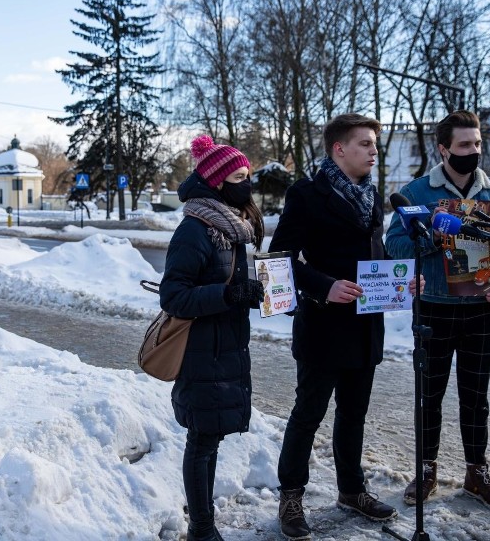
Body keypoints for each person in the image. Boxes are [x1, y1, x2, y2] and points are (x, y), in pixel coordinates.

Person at [385, 110, 490, 512]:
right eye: (465, 145)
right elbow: (395, 246)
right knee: (429, 396)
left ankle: (476, 473)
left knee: (476, 397)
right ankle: (426, 468)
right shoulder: (416, 193)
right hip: (433, 309)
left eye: (477, 143)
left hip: (482, 309)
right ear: (443, 148)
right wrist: (434, 235)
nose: (474, 151)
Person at [270, 114, 400, 540]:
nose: (374, 151)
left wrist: (400, 282)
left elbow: (374, 254)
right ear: (339, 149)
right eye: (365, 144)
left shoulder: (371, 194)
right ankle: (291, 496)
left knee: (354, 414)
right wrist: (324, 286)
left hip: (365, 326)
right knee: (308, 414)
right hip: (323, 325)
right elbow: (280, 258)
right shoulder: (307, 193)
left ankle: (351, 490)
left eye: (375, 144)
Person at [158, 135, 265, 541]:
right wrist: (228, 295)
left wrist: (256, 295)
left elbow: (229, 285)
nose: (247, 185)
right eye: (239, 176)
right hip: (202, 353)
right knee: (201, 442)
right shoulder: (195, 230)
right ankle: (202, 529)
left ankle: (203, 522)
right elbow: (174, 295)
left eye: (248, 176)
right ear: (217, 182)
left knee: (210, 440)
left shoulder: (231, 226)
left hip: (227, 348)